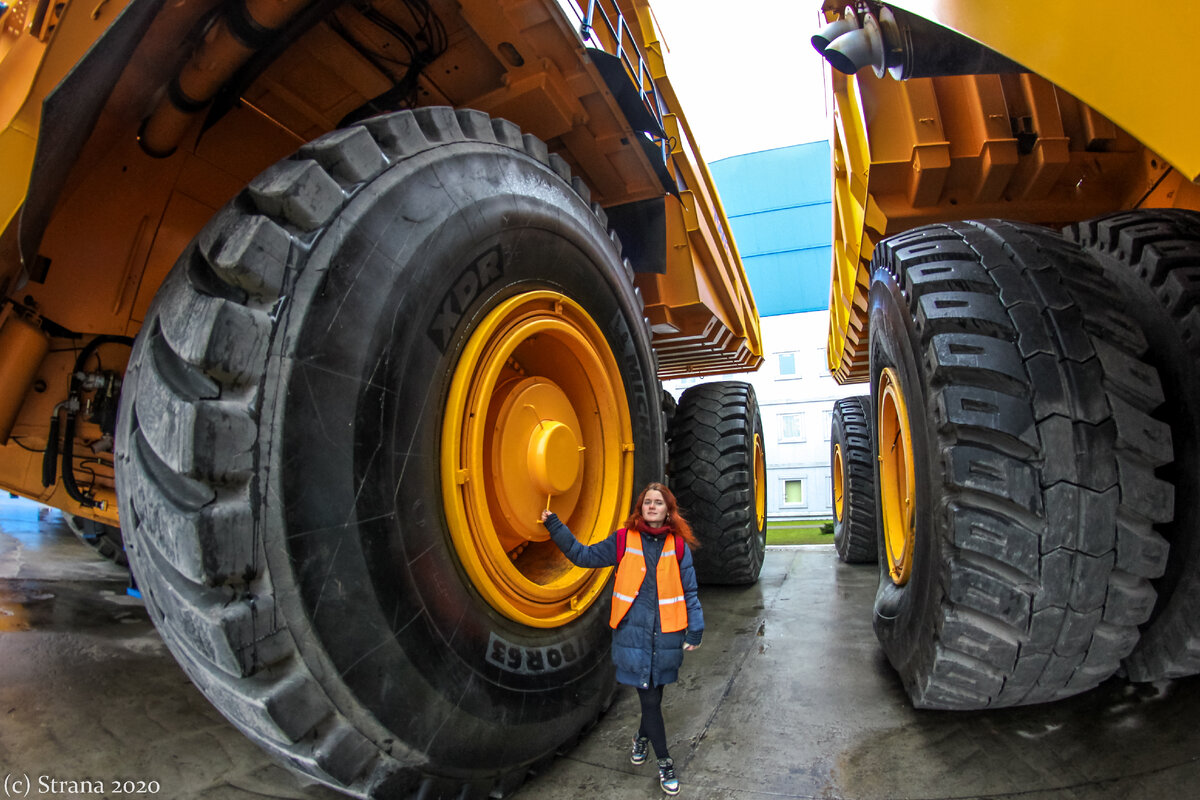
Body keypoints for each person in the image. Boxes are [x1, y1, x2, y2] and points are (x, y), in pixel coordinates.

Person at [540, 482, 704, 796]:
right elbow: (582, 555)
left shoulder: (678, 546)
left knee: (655, 697)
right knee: (650, 700)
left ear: (668, 510)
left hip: (668, 636)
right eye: (647, 502)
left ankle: (641, 739)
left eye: (658, 502)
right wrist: (554, 525)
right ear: (640, 508)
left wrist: (695, 628)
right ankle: (665, 762)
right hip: (634, 637)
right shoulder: (622, 540)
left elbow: (690, 592)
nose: (652, 506)